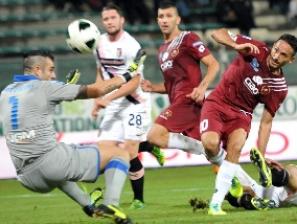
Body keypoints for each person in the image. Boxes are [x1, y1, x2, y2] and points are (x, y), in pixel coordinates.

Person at [0, 50, 141, 224]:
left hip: (26, 177)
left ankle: (88, 205)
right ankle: (110, 204)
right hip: (51, 165)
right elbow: (97, 90)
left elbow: (34, 110)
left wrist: (62, 87)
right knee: (119, 153)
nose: (53, 75)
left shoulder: (6, 93)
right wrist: (130, 72)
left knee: (58, 165)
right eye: (50, 70)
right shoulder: (46, 87)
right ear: (37, 70)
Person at [199, 28, 297, 215]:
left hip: (242, 114)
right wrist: (236, 45)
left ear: (291, 60)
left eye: (283, 55)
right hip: (218, 102)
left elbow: (266, 123)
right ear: (272, 45)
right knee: (210, 145)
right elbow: (217, 33)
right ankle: (233, 177)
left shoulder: (279, 87)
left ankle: (215, 205)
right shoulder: (256, 48)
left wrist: (261, 155)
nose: (276, 56)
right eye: (276, 49)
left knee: (235, 149)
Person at [91, 3, 163, 210]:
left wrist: (108, 98)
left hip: (135, 102)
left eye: (113, 18)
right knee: (105, 150)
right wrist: (98, 96)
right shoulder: (99, 43)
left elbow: (133, 83)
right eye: (106, 19)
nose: (109, 22)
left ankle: (138, 199)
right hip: (112, 100)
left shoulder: (132, 46)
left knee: (130, 150)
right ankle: (148, 146)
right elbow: (100, 71)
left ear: (121, 20)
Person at [141, 1, 220, 159]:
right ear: (157, 20)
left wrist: (202, 88)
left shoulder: (188, 38)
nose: (164, 20)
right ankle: (254, 184)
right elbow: (172, 85)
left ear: (178, 20)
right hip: (179, 103)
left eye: (169, 16)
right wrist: (153, 87)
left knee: (154, 135)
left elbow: (213, 64)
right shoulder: (162, 50)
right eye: (161, 16)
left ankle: (201, 149)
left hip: (189, 101)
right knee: (213, 152)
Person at [226, 147, 297, 210]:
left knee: (231, 191)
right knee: (233, 191)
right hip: (273, 193)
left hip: (272, 191)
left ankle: (246, 199)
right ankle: (247, 200)